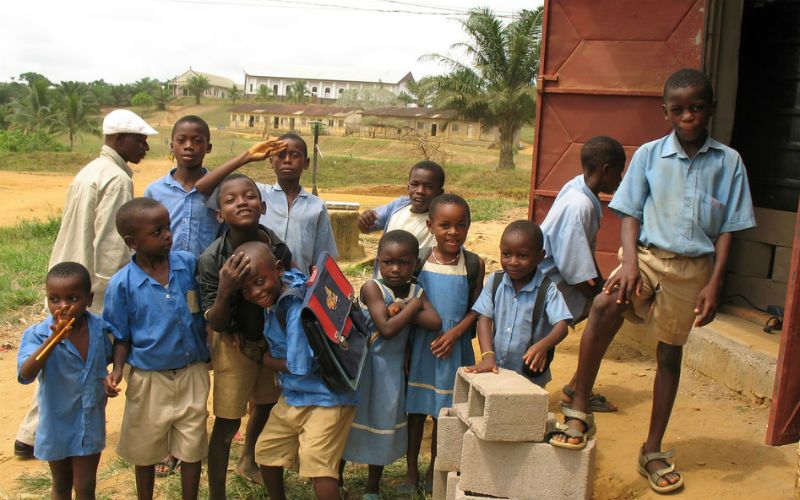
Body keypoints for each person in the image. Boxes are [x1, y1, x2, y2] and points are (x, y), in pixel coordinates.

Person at [549, 69, 756, 495]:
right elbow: (630, 214)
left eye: (696, 108)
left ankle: (652, 449)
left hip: (693, 271)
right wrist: (628, 265)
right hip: (644, 258)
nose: (688, 116)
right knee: (605, 304)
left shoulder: (729, 162)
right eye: (677, 110)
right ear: (665, 112)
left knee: (669, 355)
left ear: (711, 109)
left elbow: (728, 231)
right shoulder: (648, 155)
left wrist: (715, 284)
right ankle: (579, 408)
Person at [14, 109, 157, 460]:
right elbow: (110, 243)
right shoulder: (117, 179)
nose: (145, 147)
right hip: (89, 286)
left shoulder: (90, 170)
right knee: (84, 360)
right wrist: (112, 293)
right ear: (119, 140)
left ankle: (30, 435)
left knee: (59, 358)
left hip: (66, 276)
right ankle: (48, 433)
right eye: (140, 140)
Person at [103, 198, 211, 500]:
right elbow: (120, 335)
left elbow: (203, 307)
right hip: (149, 378)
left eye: (167, 227)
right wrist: (118, 369)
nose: (167, 235)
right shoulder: (121, 284)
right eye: (157, 231)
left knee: (192, 446)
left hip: (192, 371)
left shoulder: (187, 264)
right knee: (146, 447)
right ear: (132, 242)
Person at [234, 240, 357, 500]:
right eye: (245, 289)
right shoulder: (286, 282)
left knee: (318, 466)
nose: (255, 292)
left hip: (325, 398)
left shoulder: (294, 308)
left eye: (259, 282)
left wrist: (265, 360)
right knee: (267, 451)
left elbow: (299, 366)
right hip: (295, 396)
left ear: (278, 269)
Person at [197, 173, 294, 499]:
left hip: (269, 340)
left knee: (266, 404)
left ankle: (249, 459)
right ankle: (217, 493)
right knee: (227, 421)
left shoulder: (277, 247)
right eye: (231, 200)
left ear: (263, 207)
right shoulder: (212, 259)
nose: (242, 203)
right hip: (233, 344)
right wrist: (226, 291)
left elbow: (287, 291)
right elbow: (215, 319)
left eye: (249, 196)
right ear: (219, 214)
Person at [342, 230, 442, 499]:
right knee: (349, 423)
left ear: (415, 264)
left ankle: (372, 487)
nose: (395, 269)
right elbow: (386, 328)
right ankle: (336, 477)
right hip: (365, 369)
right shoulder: (372, 288)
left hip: (391, 373)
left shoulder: (415, 291)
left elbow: (435, 322)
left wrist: (407, 306)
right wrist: (413, 306)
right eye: (388, 262)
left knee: (382, 424)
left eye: (404, 263)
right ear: (378, 260)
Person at [538, 136, 626, 413]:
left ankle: (578, 386)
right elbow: (573, 269)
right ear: (606, 170)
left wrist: (602, 287)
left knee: (611, 308)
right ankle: (578, 392)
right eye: (619, 172)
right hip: (548, 287)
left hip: (558, 279)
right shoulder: (580, 204)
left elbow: (581, 255)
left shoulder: (578, 187)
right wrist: (600, 294)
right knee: (608, 310)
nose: (620, 179)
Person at [404, 194, 484, 493]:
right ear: (430, 226)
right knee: (415, 413)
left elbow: (477, 309)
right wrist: (407, 349)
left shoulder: (473, 264)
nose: (453, 232)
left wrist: (455, 334)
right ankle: (411, 473)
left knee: (445, 415)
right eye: (445, 225)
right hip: (422, 347)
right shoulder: (419, 260)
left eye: (461, 225)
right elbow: (408, 302)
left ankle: (434, 470)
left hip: (455, 348)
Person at [17, 262, 115, 499]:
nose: (63, 306)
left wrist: (109, 377)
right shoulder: (38, 335)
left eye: (72, 298)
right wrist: (54, 339)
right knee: (61, 484)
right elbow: (25, 374)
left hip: (89, 422)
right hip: (56, 425)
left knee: (85, 487)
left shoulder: (99, 329)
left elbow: (108, 356)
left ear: (89, 299)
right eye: (54, 299)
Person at [197, 132, 336, 275]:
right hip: (255, 282)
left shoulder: (317, 206)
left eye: (294, 155)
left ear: (306, 163)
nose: (287, 160)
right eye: (281, 155)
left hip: (298, 285)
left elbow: (322, 259)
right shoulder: (254, 195)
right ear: (271, 161)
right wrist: (248, 156)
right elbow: (202, 187)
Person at [466, 220, 572, 388]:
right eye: (506, 254)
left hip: (530, 376)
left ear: (540, 256)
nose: (513, 262)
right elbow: (484, 319)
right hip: (497, 370)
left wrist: (543, 346)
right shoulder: (495, 282)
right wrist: (487, 355)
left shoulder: (548, 290)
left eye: (522, 256)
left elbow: (562, 326)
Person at [357, 160, 445, 249]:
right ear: (408, 187)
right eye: (415, 184)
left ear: (440, 193)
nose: (420, 191)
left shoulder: (442, 218)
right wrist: (364, 220)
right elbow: (366, 227)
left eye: (429, 187)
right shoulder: (398, 206)